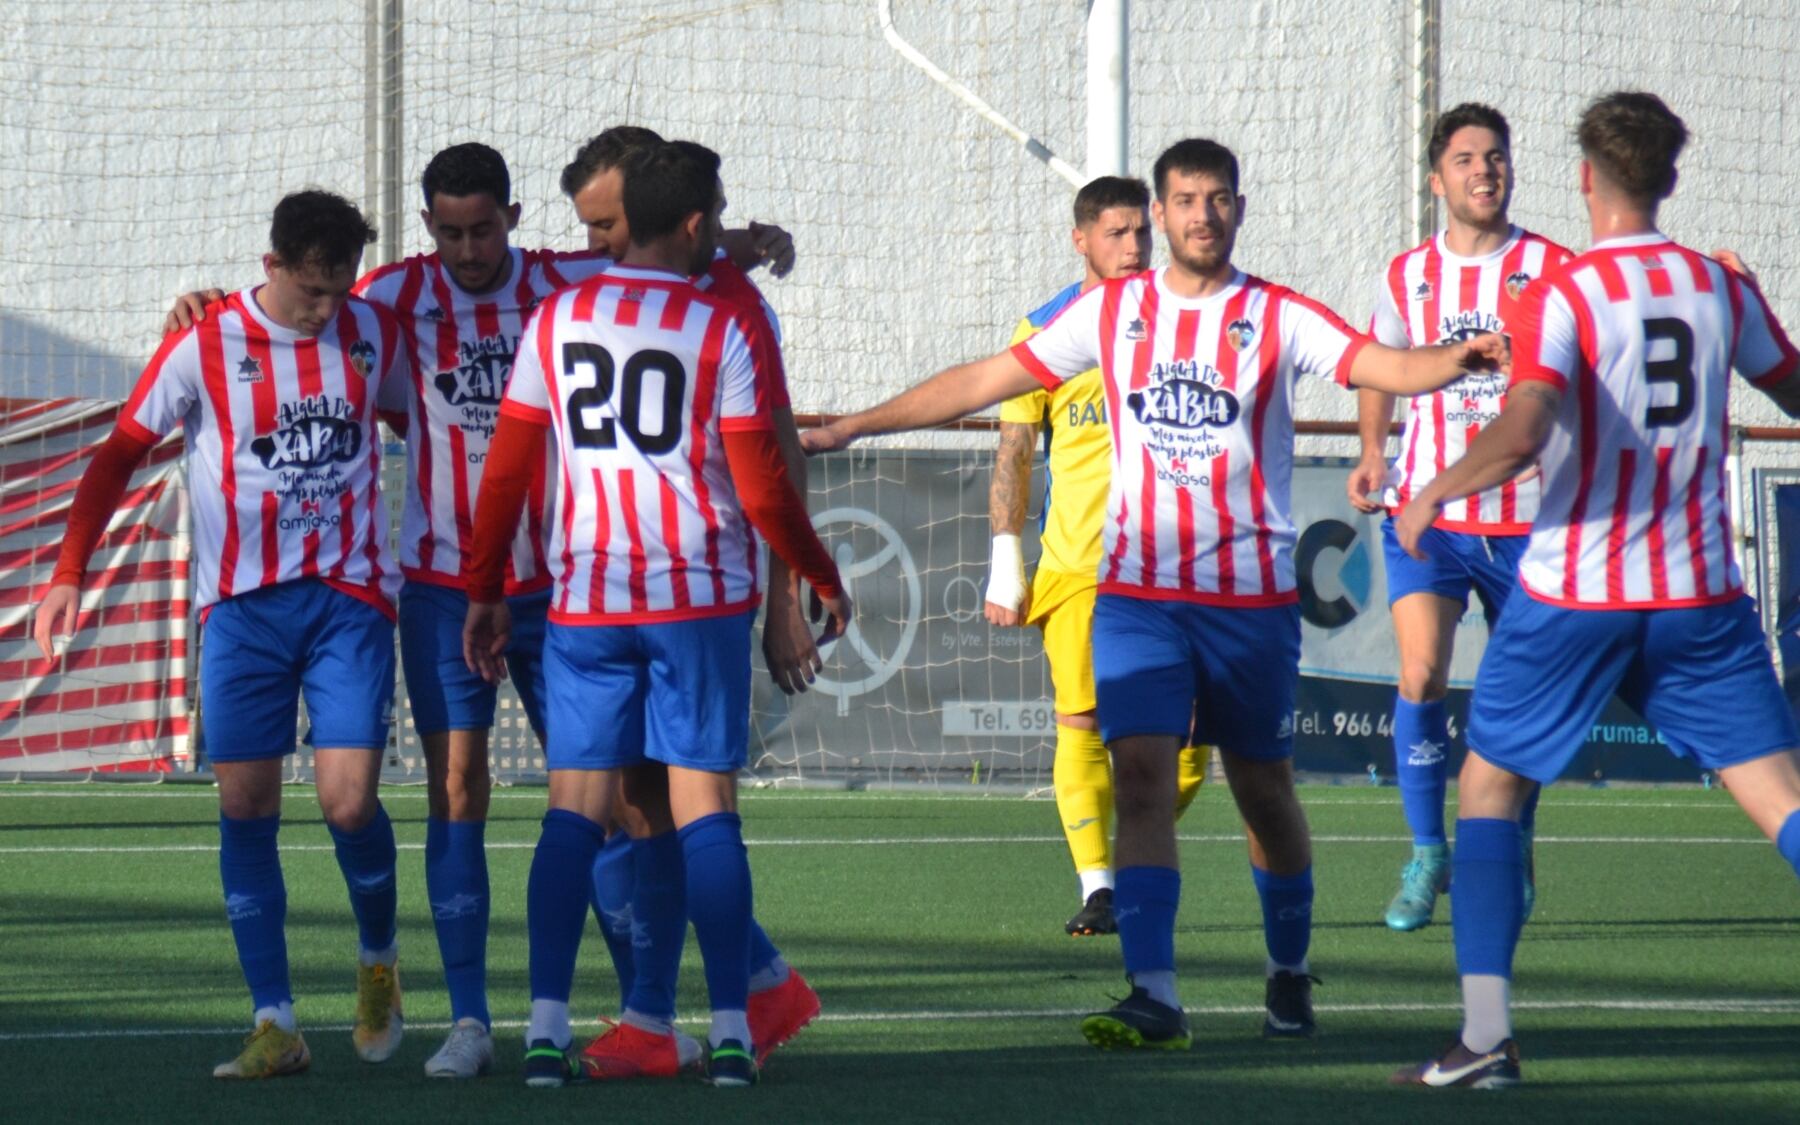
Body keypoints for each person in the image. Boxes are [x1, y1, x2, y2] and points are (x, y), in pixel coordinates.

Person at [804, 137, 1507, 1050]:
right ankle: (1155, 992)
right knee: (1136, 776)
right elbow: (987, 379)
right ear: (1163, 212)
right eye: (1184, 201)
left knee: (1262, 792)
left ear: (1238, 211)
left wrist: (1459, 356)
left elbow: (1387, 366)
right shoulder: (1111, 311)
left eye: (1217, 200)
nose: (1201, 215)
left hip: (1248, 603)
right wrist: (855, 425)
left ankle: (1288, 969)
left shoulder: (1278, 314)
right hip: (1135, 595)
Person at [162, 141, 813, 1079]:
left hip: (561, 587)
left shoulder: (562, 282)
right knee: (458, 791)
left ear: (513, 218)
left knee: (626, 799)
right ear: (430, 227)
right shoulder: (391, 296)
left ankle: (650, 1008)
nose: (469, 251)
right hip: (442, 586)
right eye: (451, 233)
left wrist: (742, 243)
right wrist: (202, 302)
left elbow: (670, 251)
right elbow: (294, 300)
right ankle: (470, 1020)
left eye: (484, 229)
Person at [1389, 91, 1800, 1089]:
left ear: (1584, 177)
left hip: (1580, 587)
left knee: (1488, 785)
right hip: (1701, 592)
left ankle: (1485, 1039)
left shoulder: (1560, 293)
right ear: (1669, 178)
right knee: (1782, 801)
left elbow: (1524, 427)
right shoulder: (1718, 285)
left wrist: (1436, 488)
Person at [462, 139, 851, 1088]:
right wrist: (815, 571)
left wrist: (482, 590)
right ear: (693, 222)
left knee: (572, 815)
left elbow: (508, 469)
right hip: (696, 597)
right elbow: (762, 478)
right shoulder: (721, 321)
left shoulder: (557, 317)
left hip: (589, 600)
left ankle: (546, 1031)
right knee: (703, 812)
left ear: (623, 219)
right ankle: (727, 1032)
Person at [35, 191, 412, 1079]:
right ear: (272, 265)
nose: (328, 308)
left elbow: (429, 417)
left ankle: (377, 959)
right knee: (245, 805)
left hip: (348, 600)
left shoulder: (373, 332)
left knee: (349, 801)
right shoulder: (203, 344)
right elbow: (118, 454)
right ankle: (274, 1020)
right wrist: (66, 572)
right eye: (314, 290)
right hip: (241, 611)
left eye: (341, 289)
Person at [557, 126, 826, 1080]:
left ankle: (697, 1005)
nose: (591, 243)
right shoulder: (589, 280)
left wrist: (785, 598)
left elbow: (779, 455)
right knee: (636, 801)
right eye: (582, 226)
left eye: (606, 223)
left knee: (665, 800)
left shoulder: (729, 302)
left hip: (672, 591)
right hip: (581, 583)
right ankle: (740, 987)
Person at [1345, 104, 1571, 932]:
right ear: (1438, 178)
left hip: (1529, 520)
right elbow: (1380, 366)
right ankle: (1427, 851)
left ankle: (1512, 833)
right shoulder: (1407, 274)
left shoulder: (1554, 268)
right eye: (1468, 158)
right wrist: (1374, 448)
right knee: (1422, 674)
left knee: (1518, 698)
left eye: (1497, 157)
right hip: (1428, 513)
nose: (1486, 170)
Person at [986, 174, 1210, 937]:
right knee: (1080, 722)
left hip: (1177, 561)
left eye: (1139, 232)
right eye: (1114, 234)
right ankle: (1100, 885)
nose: (1133, 246)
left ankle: (1132, 831)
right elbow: (1015, 448)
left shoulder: (1180, 317)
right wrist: (1004, 561)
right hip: (1081, 563)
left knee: (1188, 751)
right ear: (1080, 239)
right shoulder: (1044, 329)